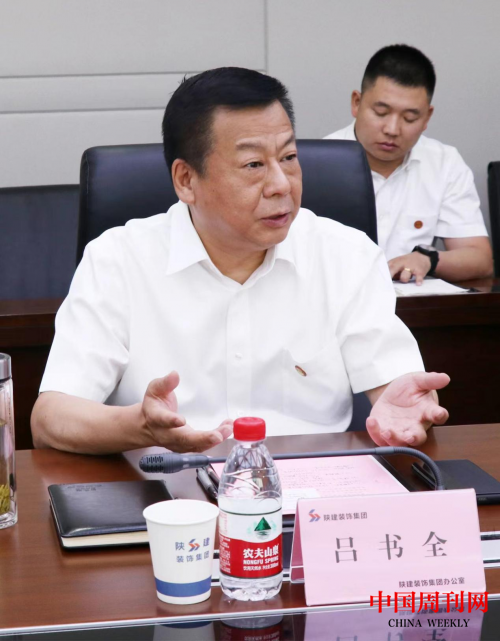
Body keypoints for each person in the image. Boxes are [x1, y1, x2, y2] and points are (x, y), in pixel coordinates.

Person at [31, 67, 449, 456]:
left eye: (288, 157)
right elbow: (51, 418)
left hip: (308, 491)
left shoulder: (346, 255)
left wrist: (408, 407)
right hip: (164, 494)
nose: (281, 184)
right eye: (253, 165)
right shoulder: (118, 260)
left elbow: (398, 388)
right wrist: (139, 426)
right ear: (186, 180)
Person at [325, 45, 493, 285]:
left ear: (426, 118)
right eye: (381, 112)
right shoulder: (317, 163)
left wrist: (428, 260)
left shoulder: (443, 163)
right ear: (356, 102)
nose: (392, 129)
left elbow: (480, 260)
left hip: (410, 302)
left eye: (409, 118)